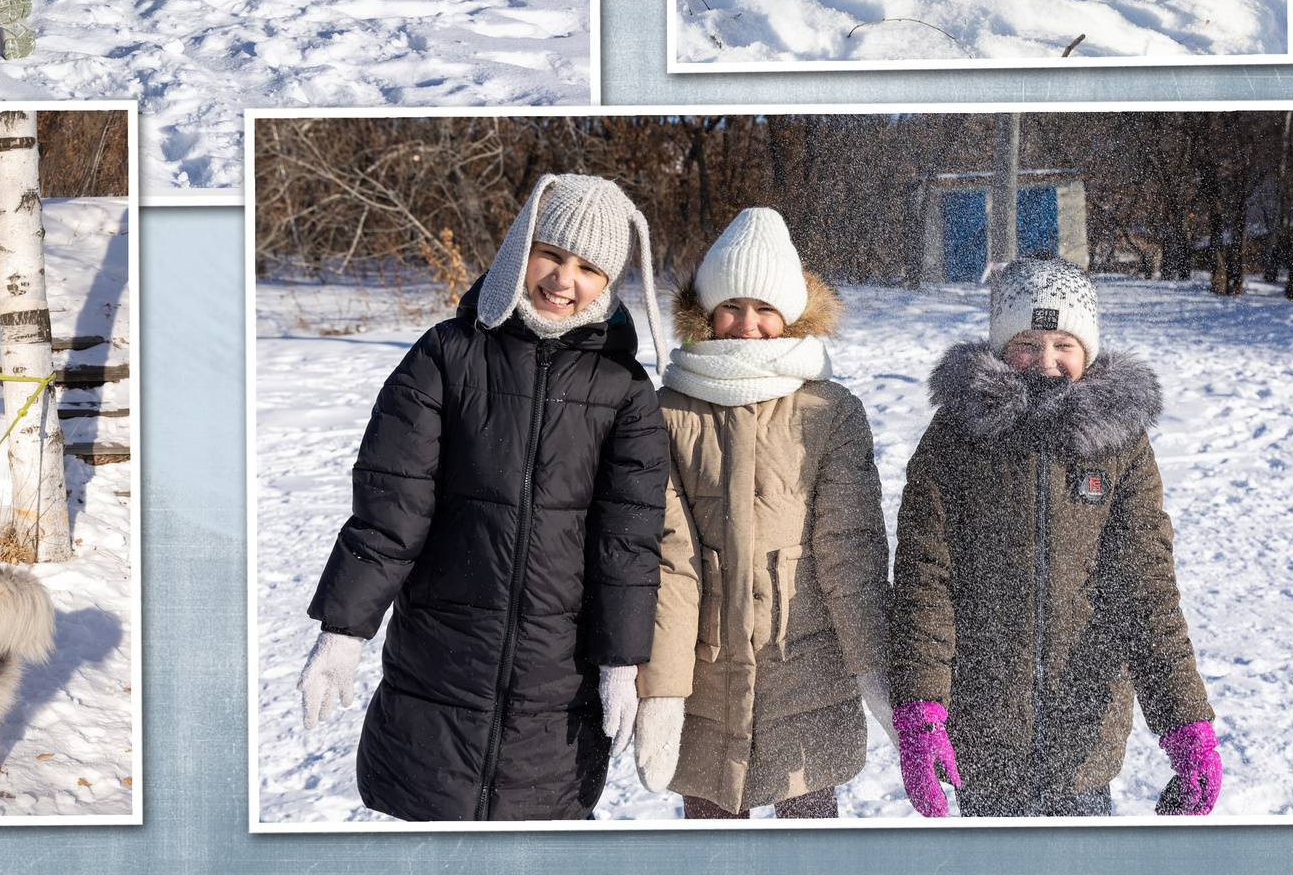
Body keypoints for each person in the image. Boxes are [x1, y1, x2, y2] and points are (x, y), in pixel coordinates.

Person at [297, 174, 672, 821]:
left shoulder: (625, 391)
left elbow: (628, 543)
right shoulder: (447, 356)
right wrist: (343, 629)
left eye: (587, 267)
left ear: (609, 282)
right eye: (550, 254)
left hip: (556, 693)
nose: (563, 280)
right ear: (520, 247)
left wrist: (622, 659)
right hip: (439, 669)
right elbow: (391, 512)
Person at [890, 259, 1219, 819]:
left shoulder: (1119, 445)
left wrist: (1186, 723)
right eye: (1027, 343)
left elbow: (1146, 589)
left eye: (1064, 343)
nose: (1046, 363)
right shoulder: (956, 438)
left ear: (1087, 351)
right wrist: (921, 706)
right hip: (983, 731)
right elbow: (926, 580)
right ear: (1000, 349)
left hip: (1082, 741)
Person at [637, 209, 893, 820]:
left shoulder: (828, 409)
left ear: (792, 315)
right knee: (712, 851)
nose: (747, 325)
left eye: (765, 308)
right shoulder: (667, 411)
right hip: (703, 673)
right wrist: (666, 690)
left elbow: (850, 550)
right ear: (706, 312)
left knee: (810, 854)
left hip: (806, 670)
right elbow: (669, 559)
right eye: (730, 306)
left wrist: (878, 672)